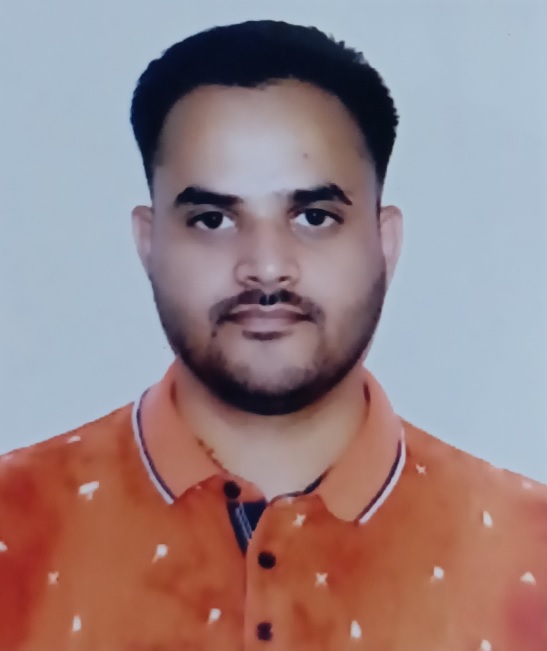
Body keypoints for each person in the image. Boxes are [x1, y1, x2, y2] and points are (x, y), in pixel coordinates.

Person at [0, 19, 545, 651]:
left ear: (385, 243)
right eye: (212, 219)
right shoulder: (15, 528)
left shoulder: (527, 554)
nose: (264, 266)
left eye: (314, 217)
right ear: (149, 244)